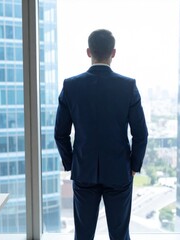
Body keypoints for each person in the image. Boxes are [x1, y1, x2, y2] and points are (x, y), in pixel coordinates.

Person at [54, 29, 148, 240]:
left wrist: (71, 163)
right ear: (113, 53)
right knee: (120, 234)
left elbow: (60, 134)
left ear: (88, 52)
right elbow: (140, 134)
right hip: (119, 172)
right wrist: (134, 167)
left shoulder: (70, 86)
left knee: (83, 235)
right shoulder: (128, 86)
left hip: (84, 171)